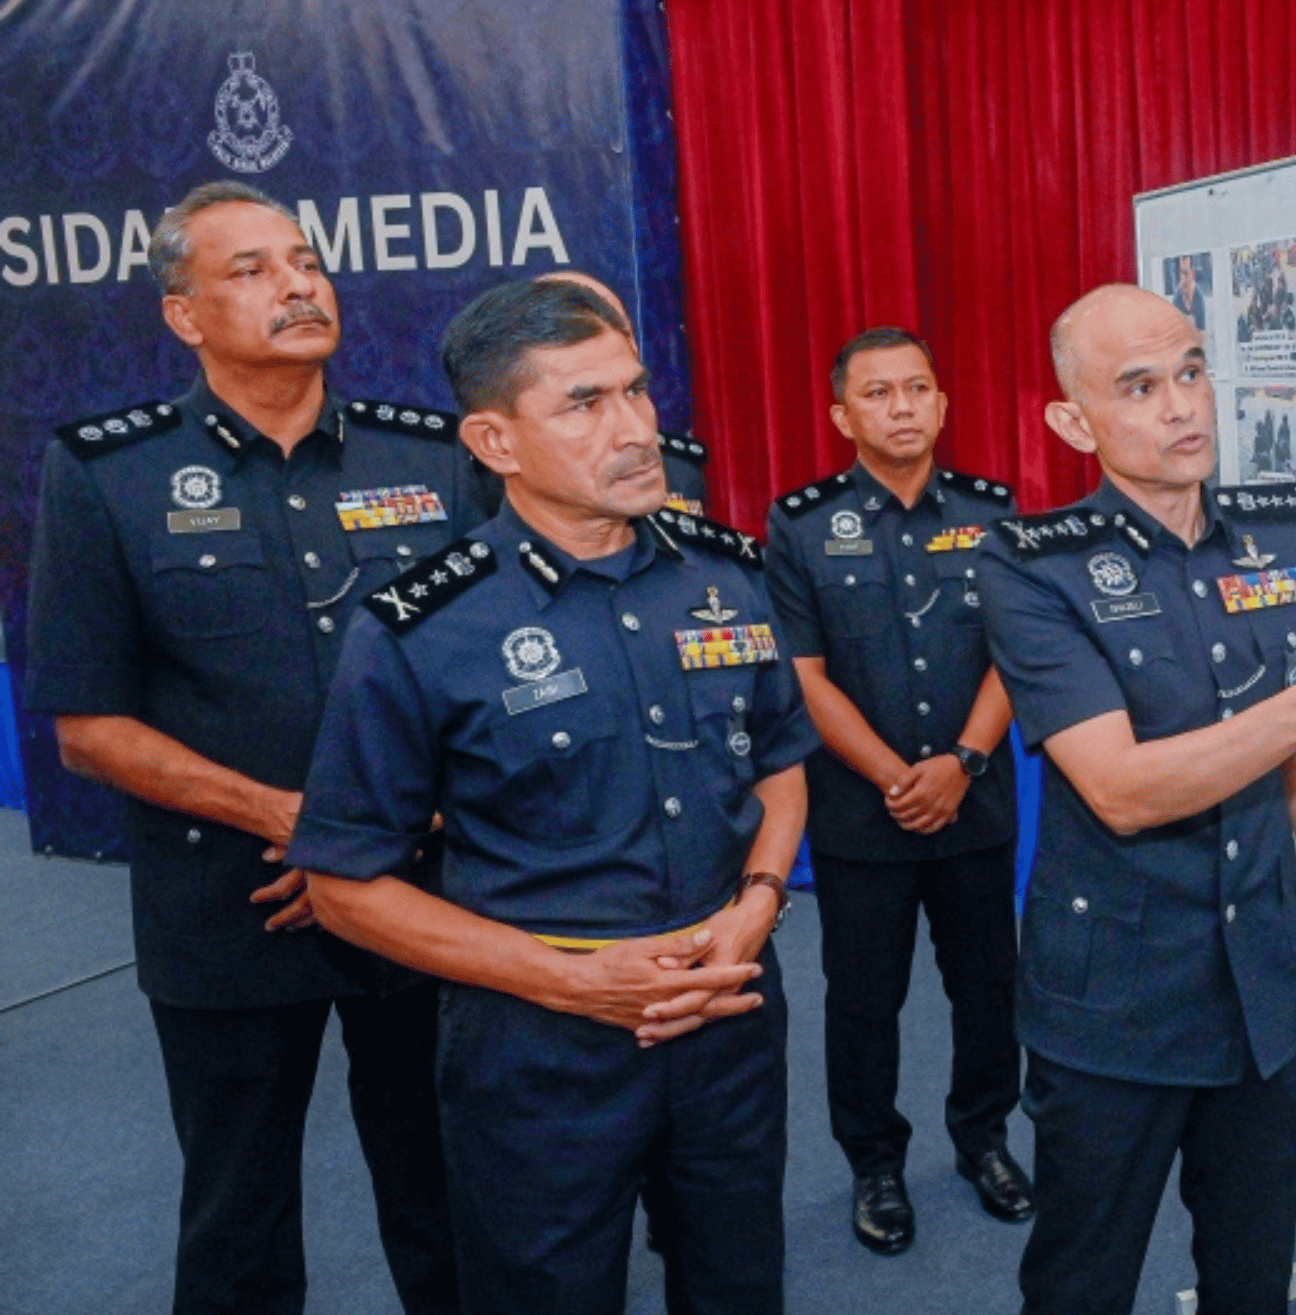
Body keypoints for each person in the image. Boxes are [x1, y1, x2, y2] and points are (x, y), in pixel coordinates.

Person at [286, 279, 815, 1313]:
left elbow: (778, 761)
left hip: (728, 1007)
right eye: (584, 403)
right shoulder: (419, 626)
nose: (635, 429)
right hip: (539, 1045)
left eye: (636, 391)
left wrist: (758, 902)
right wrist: (573, 984)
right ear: (496, 441)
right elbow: (343, 886)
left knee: (740, 1280)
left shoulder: (725, 574)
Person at [23, 179, 472, 1315]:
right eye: (253, 269)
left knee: (452, 1195)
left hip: (420, 890)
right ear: (184, 314)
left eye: (306, 260)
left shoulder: (428, 458)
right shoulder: (107, 473)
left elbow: (483, 683)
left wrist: (376, 832)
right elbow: (86, 730)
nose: (298, 284)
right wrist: (297, 824)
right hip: (229, 904)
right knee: (238, 1220)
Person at [979, 284, 1296, 1314]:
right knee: (1081, 1281)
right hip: (1114, 999)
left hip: (1262, 988)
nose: (1180, 406)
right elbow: (1120, 790)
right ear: (1075, 422)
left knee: (1251, 1275)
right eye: (1139, 386)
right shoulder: (1032, 569)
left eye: (1192, 372)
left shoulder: (1282, 542)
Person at [762, 327, 1032, 1255]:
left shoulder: (995, 515)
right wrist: (895, 776)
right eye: (877, 393)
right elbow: (802, 675)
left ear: (942, 404)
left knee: (988, 989)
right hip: (859, 815)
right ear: (843, 415)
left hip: (975, 803)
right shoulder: (799, 524)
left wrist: (962, 762)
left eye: (917, 388)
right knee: (862, 1001)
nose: (902, 407)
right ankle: (874, 1163)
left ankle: (984, 1138)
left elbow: (1015, 653)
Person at [538, 267, 713, 515]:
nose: (638, 434)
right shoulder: (485, 483)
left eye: (620, 332)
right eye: (577, 337)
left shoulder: (676, 468)